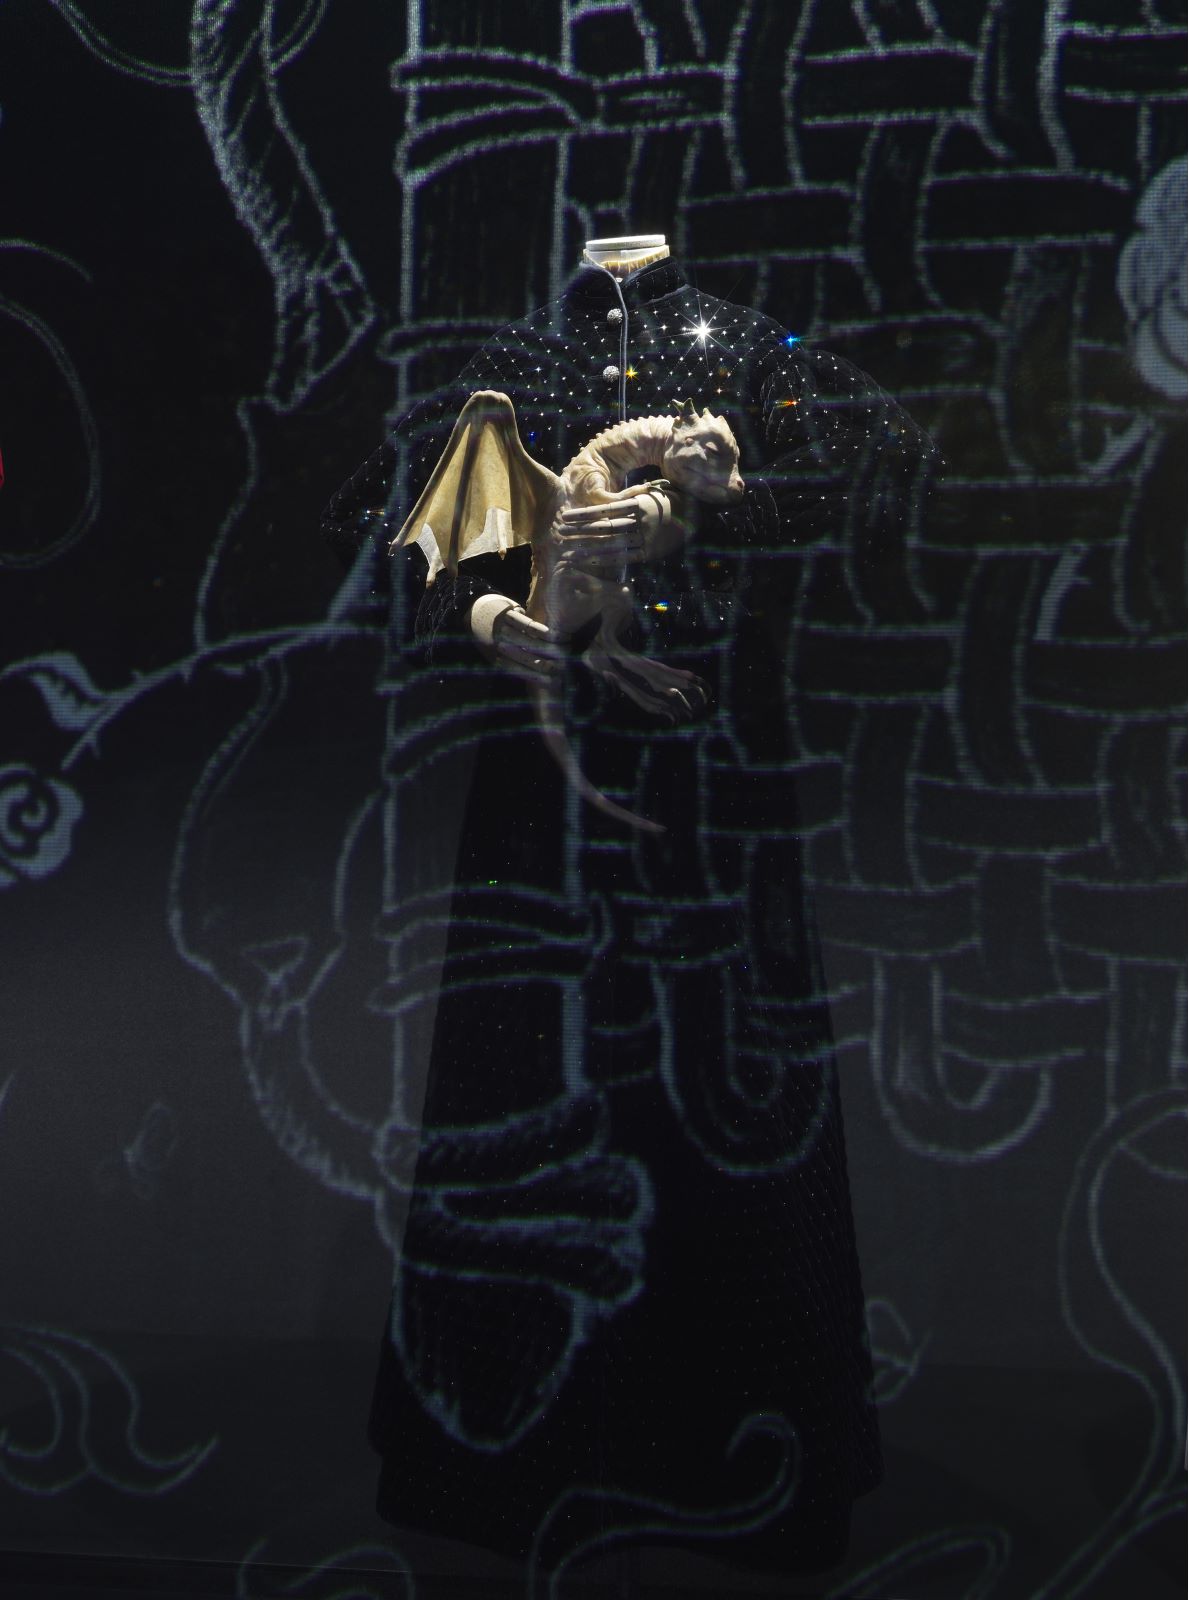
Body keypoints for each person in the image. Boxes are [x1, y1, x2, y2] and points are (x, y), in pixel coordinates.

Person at [321, 233, 939, 1575]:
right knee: (532, 1071)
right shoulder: (514, 366)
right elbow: (396, 543)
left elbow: (887, 465)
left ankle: (745, 1444)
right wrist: (506, 624)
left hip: (712, 782)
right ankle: (512, 1455)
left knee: (729, 1078)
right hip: (544, 808)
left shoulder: (742, 348)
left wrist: (698, 513)